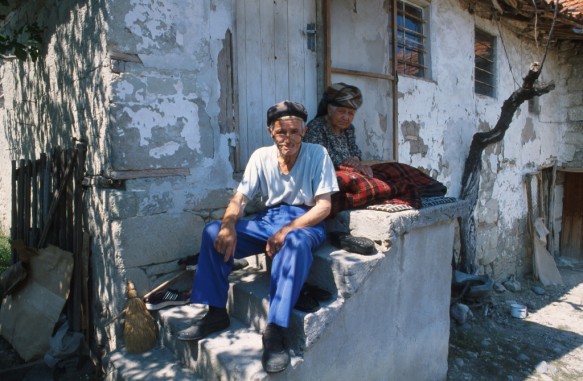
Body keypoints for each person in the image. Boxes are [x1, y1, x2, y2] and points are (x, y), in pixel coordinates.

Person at [176, 100, 339, 374]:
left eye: (295, 132)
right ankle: (216, 312)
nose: (288, 138)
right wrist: (228, 224)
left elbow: (324, 206)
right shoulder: (260, 157)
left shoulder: (318, 154)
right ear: (270, 132)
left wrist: (287, 230)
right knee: (213, 231)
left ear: (304, 131)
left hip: (305, 220)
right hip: (269, 219)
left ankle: (275, 330)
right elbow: (240, 199)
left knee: (295, 242)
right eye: (281, 132)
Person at [304, 82, 373, 178]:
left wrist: (357, 162)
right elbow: (318, 160)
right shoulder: (316, 127)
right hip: (327, 176)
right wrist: (348, 164)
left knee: (396, 169)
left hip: (350, 171)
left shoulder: (349, 128)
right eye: (341, 111)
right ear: (329, 109)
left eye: (350, 113)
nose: (346, 117)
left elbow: (355, 151)